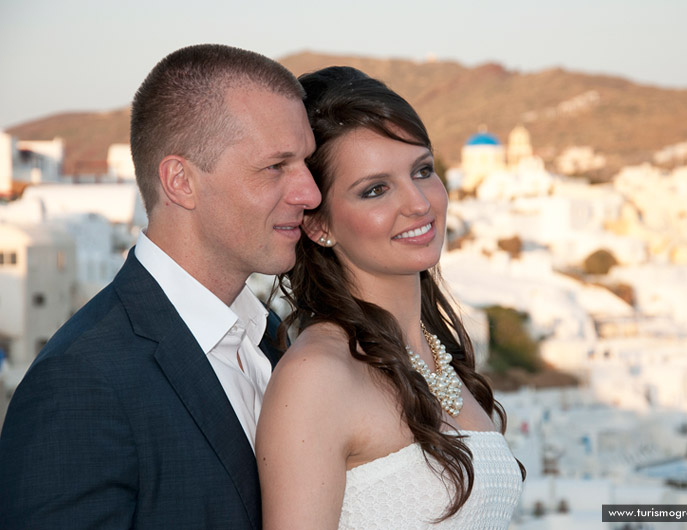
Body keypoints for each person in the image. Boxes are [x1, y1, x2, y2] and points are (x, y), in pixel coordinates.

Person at [0, 44, 320, 529]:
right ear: (180, 181)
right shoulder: (80, 385)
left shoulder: (270, 336)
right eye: (276, 166)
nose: (309, 193)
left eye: (306, 163)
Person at [256, 66, 524, 529]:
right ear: (318, 225)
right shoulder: (319, 376)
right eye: (375, 189)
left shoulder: (435, 352)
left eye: (423, 170)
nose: (419, 203)